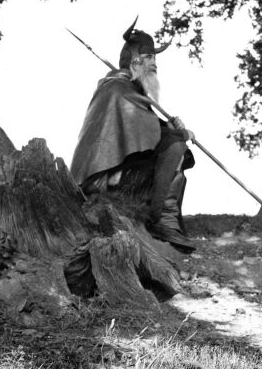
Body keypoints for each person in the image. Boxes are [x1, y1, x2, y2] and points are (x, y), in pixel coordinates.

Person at [70, 18, 196, 251]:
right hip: (102, 181)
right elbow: (152, 134)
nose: (154, 63)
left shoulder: (131, 90)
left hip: (120, 173)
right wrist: (179, 133)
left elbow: (145, 133)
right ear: (134, 59)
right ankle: (162, 221)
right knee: (175, 146)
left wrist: (170, 128)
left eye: (155, 58)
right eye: (148, 56)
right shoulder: (117, 87)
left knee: (175, 150)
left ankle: (166, 220)